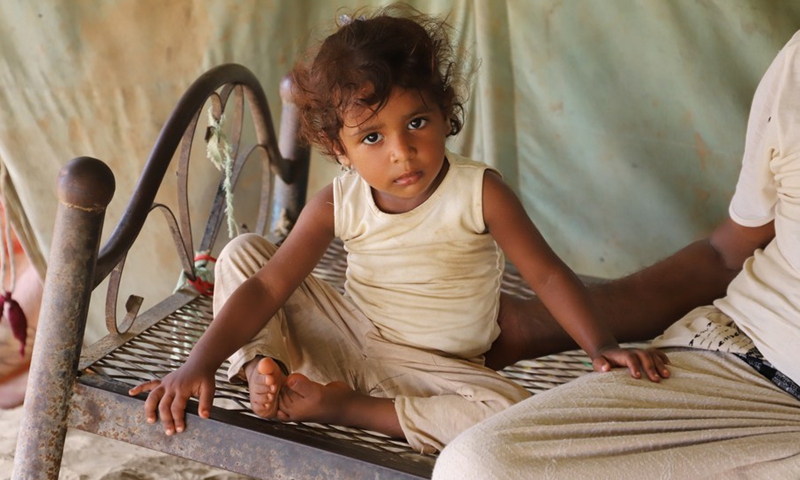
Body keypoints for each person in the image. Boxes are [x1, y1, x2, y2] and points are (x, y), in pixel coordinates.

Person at [128, 5, 668, 454]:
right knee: (245, 254)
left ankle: (344, 406)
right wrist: (197, 364)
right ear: (339, 148)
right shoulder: (336, 203)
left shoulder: (481, 193)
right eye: (371, 138)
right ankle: (263, 370)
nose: (401, 152)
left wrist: (601, 347)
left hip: (435, 370)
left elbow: (548, 278)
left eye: (416, 123)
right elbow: (269, 287)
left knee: (511, 416)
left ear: (444, 112)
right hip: (345, 339)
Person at [433, 30, 800, 479]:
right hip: (734, 364)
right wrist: (529, 328)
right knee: (477, 467)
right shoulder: (796, 69)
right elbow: (726, 255)